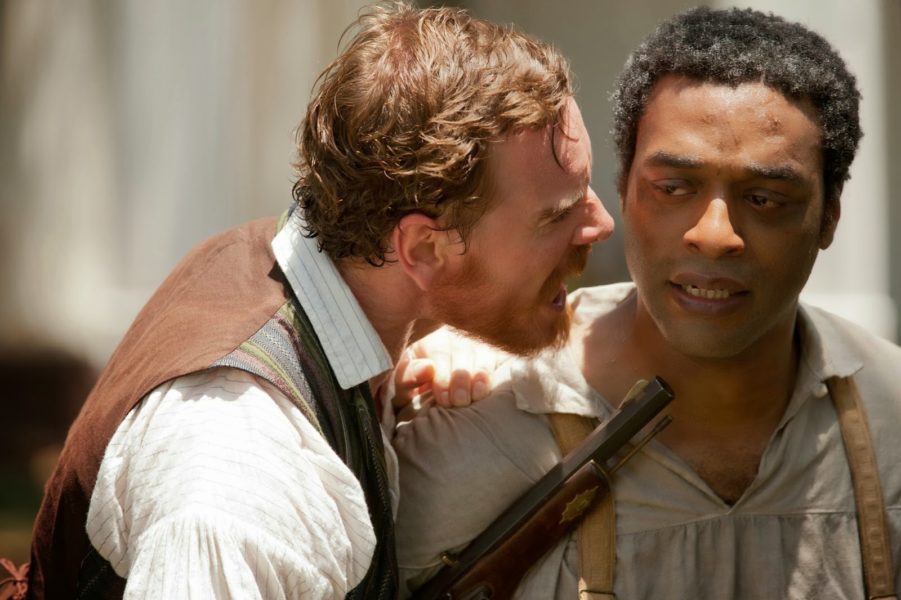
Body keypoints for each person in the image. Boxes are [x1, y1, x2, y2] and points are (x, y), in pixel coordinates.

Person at [26, 4, 614, 598]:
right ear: (424, 250)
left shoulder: (293, 266)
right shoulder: (242, 474)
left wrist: (430, 348)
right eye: (557, 215)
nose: (601, 224)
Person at [394, 7, 901, 599]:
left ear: (829, 217)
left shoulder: (888, 420)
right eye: (674, 188)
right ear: (623, 190)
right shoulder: (483, 422)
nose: (714, 235)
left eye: (765, 199)